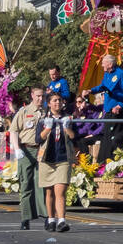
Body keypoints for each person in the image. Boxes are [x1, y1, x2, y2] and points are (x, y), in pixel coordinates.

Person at [37, 92, 76, 233]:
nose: (57, 103)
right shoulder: (43, 119)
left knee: (60, 191)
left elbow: (73, 137)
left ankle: (62, 221)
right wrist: (47, 128)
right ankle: (51, 219)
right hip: (47, 159)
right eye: (54, 100)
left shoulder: (68, 118)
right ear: (49, 103)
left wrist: (67, 127)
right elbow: (38, 139)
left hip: (63, 158)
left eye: (59, 100)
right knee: (49, 192)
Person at [8, 87, 46, 230]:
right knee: (26, 184)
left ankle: (45, 215)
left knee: (41, 183)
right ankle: (25, 218)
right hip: (26, 149)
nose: (40, 99)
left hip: (42, 150)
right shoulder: (24, 112)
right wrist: (17, 149)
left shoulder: (46, 112)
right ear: (32, 95)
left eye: (42, 96)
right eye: (38, 96)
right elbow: (13, 131)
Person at [89, 54, 123, 160]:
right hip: (107, 111)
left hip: (117, 112)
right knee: (106, 137)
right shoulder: (107, 75)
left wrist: (120, 105)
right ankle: (102, 163)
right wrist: (91, 91)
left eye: (103, 63)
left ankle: (114, 163)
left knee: (113, 138)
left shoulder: (121, 74)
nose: (102, 65)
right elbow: (102, 87)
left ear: (110, 64)